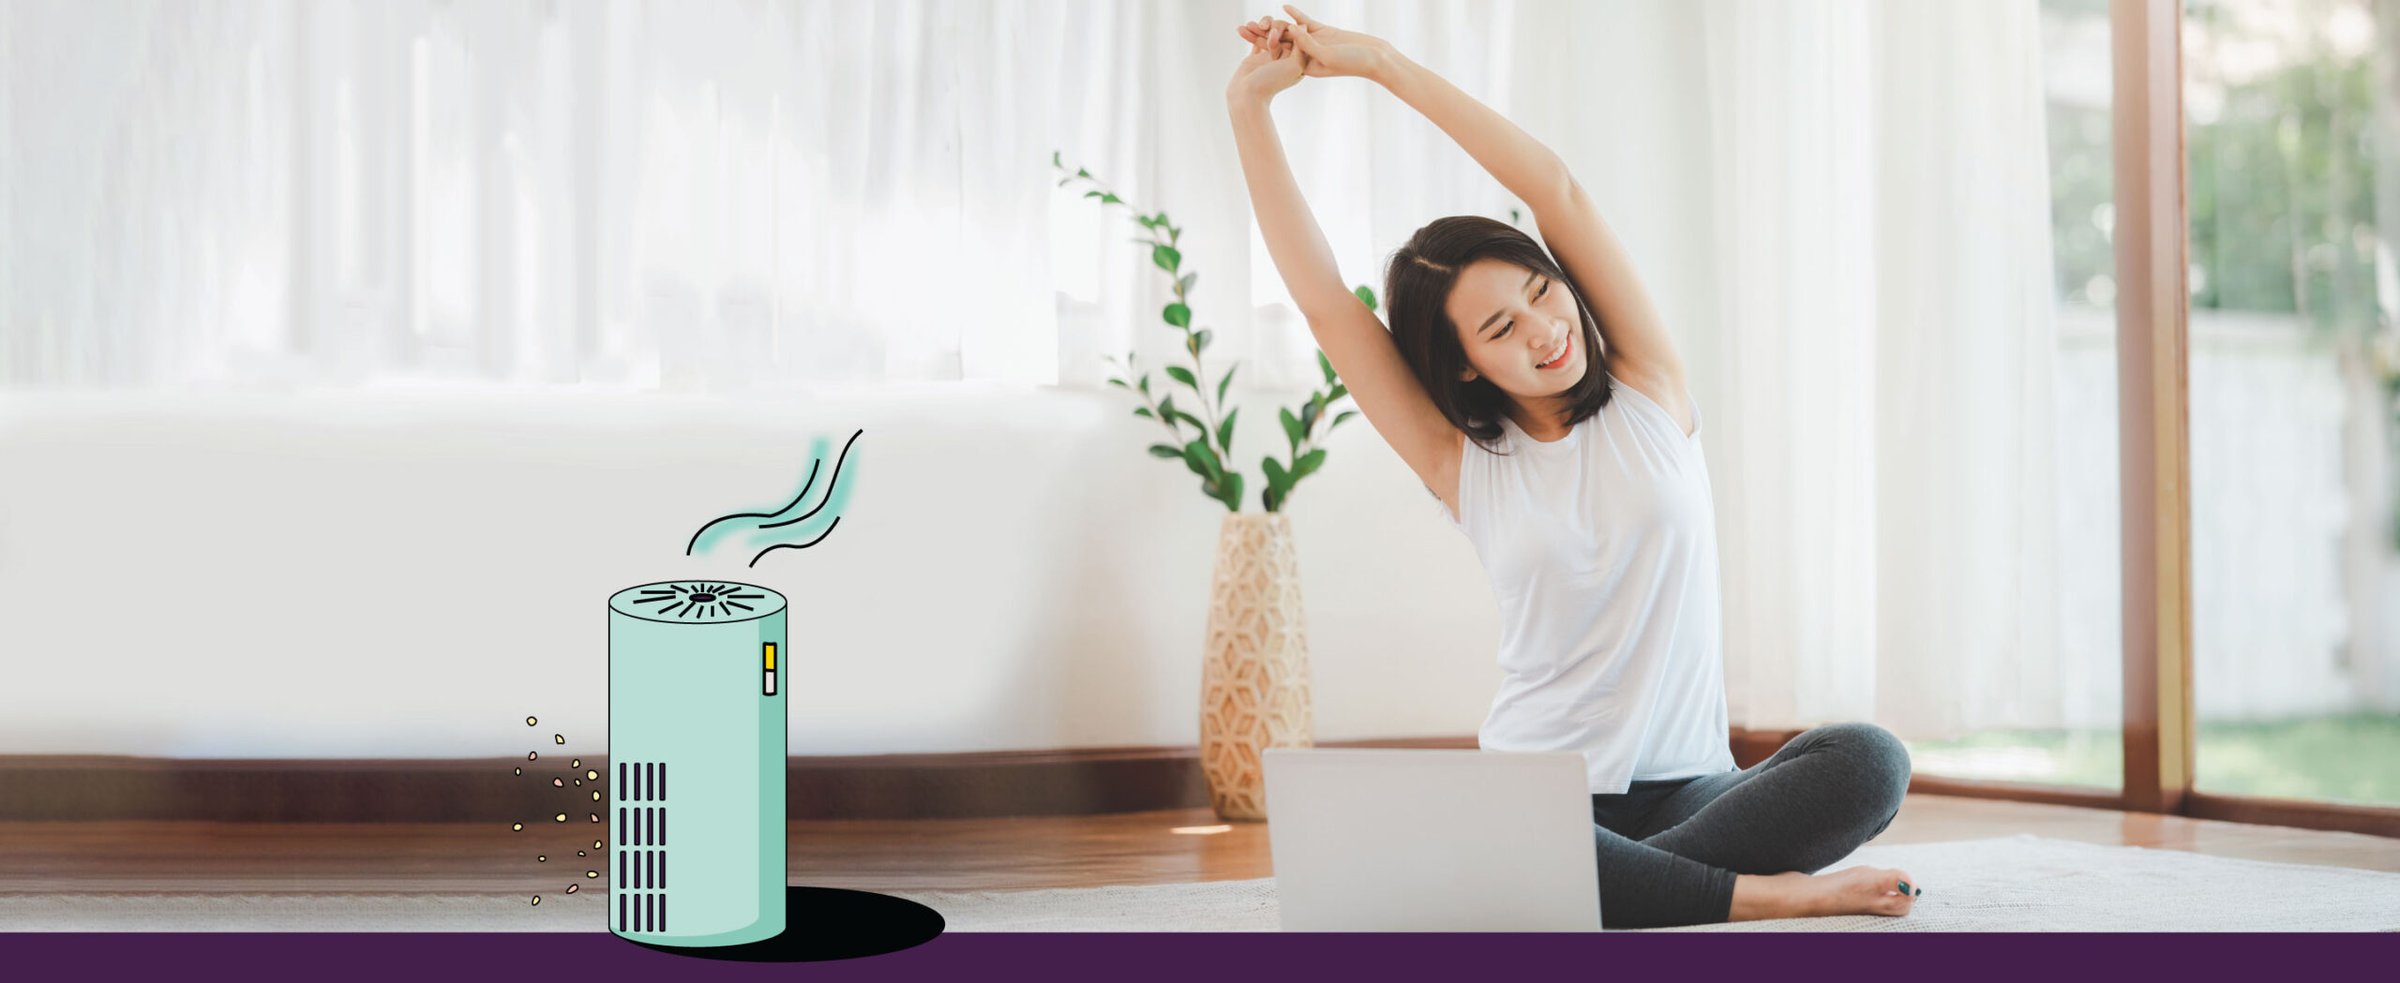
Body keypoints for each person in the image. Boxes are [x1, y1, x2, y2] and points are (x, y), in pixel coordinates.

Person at [1226, 6, 1923, 928]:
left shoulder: (1650, 390)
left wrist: (1385, 65)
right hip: (1540, 793)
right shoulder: (1463, 461)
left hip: (1694, 793)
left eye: (1541, 291)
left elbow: (1555, 188)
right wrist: (1250, 111)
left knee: (1869, 761)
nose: (1546, 329)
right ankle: (1742, 897)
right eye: (1501, 327)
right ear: (1467, 363)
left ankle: (1562, 893)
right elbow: (1324, 306)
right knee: (1495, 834)